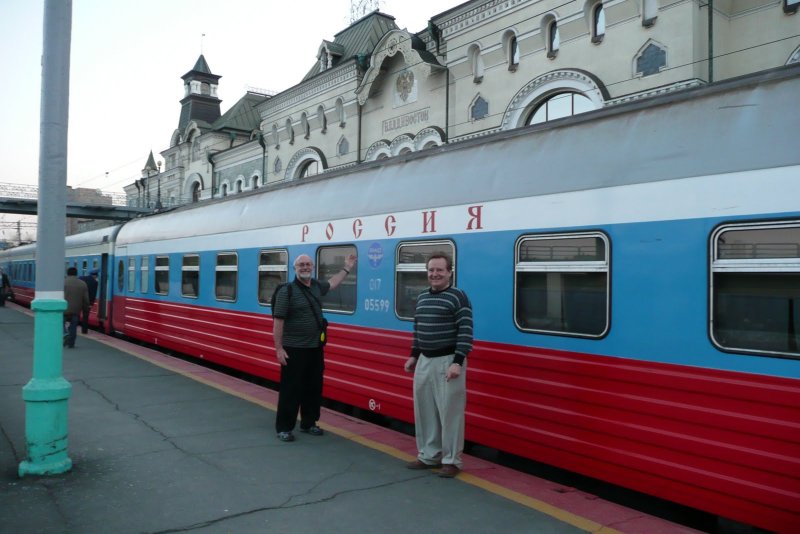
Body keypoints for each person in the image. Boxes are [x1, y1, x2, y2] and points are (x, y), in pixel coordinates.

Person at [273, 252, 357, 442]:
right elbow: (278, 321)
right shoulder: (288, 291)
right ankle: (284, 427)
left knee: (313, 387)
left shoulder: (317, 286)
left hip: (315, 348)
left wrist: (347, 267)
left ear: (312, 267)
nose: (305, 267)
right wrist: (279, 349)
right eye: (301, 265)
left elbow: (333, 283)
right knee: (291, 389)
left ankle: (309, 423)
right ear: (294, 269)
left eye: (308, 264)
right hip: (293, 349)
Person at [403, 253, 473, 478]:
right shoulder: (423, 297)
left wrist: (458, 362)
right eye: (431, 270)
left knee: (450, 413)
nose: (434, 274)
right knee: (425, 411)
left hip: (448, 361)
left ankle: (451, 461)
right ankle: (429, 455)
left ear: (450, 272)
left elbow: (465, 330)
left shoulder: (458, 297)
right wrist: (413, 355)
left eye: (440, 270)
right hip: (425, 359)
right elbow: (417, 327)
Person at [64, 266, 90, 349]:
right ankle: (71, 344)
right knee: (73, 327)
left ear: (67, 273)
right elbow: (86, 300)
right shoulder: (83, 284)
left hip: (63, 309)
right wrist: (86, 310)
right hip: (76, 310)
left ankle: (65, 334)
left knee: (60, 323)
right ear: (76, 273)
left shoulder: (62, 282)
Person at [79, 269, 99, 333]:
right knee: (85, 316)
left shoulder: (81, 278)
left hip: (79, 300)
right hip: (87, 302)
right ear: (95, 276)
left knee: (76, 314)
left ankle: (73, 327)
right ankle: (84, 330)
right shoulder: (95, 283)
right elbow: (93, 294)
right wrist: (91, 303)